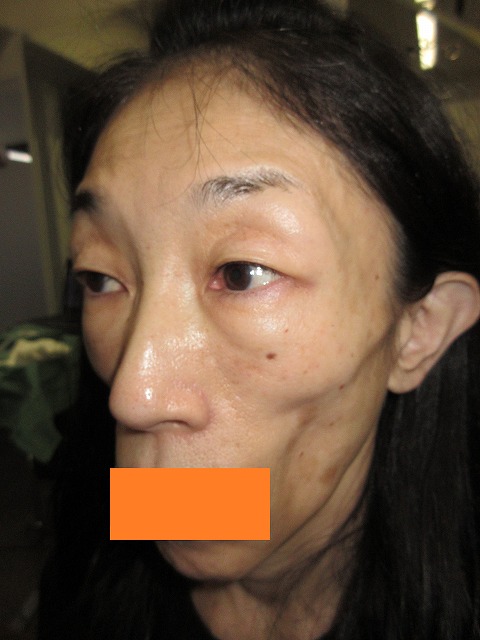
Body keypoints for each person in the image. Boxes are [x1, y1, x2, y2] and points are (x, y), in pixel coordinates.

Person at [39, 0, 480, 638]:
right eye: (100, 277)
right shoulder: (95, 540)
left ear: (420, 331)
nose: (134, 395)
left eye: (242, 272)